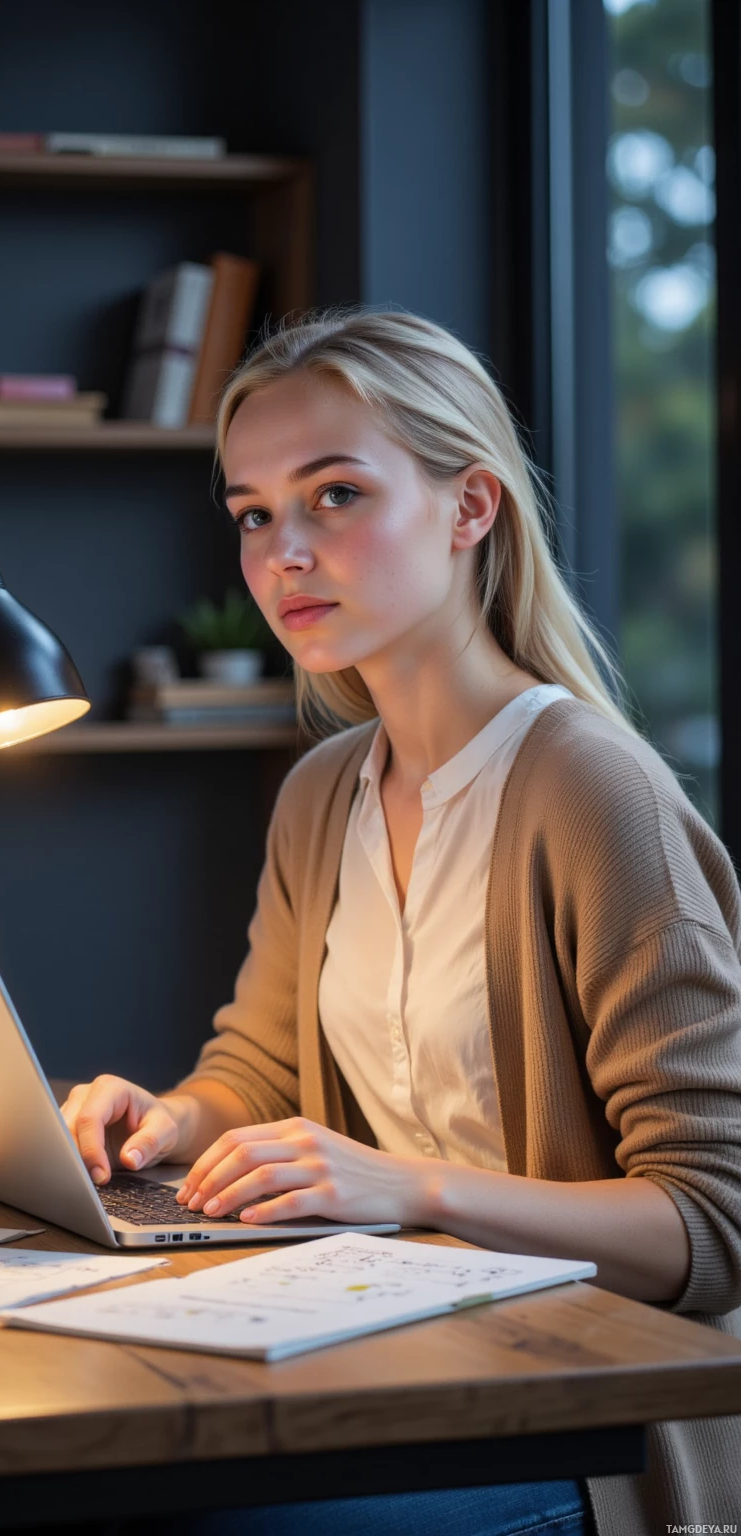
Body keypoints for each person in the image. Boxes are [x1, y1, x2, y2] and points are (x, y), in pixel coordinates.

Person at [62, 309, 741, 1536]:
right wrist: (172, 1121)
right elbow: (258, 1065)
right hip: (402, 1358)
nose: (284, 554)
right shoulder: (323, 794)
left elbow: (710, 1222)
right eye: (254, 514)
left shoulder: (594, 794)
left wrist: (403, 1188)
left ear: (469, 507)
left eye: (333, 495)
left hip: (586, 1425)